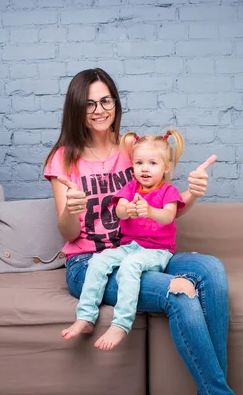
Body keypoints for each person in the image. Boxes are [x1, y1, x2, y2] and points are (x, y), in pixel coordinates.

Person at [44, 68, 235, 395]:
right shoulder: (64, 159)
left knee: (211, 270)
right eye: (89, 104)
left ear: (116, 104)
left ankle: (216, 389)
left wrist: (192, 193)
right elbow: (68, 231)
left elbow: (165, 207)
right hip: (89, 263)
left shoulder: (131, 150)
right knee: (181, 291)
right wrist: (71, 210)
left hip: (142, 248)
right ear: (76, 109)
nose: (99, 110)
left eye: (106, 101)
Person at [62, 129, 186, 350]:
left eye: (152, 163)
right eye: (139, 163)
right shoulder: (130, 187)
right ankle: (86, 316)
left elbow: (168, 216)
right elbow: (119, 211)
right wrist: (127, 209)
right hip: (130, 246)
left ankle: (121, 323)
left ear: (166, 167)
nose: (144, 168)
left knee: (130, 266)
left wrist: (149, 211)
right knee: (98, 261)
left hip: (157, 250)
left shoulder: (168, 191)